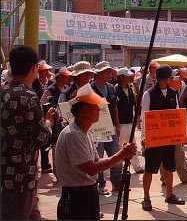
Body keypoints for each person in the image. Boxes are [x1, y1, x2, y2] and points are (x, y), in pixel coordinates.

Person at [54, 83, 136, 220]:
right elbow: (91, 168)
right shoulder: (73, 134)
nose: (99, 109)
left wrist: (122, 154)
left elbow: (96, 162)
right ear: (84, 111)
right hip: (76, 198)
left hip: (86, 195)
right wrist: (120, 155)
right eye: (95, 106)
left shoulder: (84, 132)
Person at [1, 46, 53, 220]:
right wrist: (48, 122)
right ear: (33, 68)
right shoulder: (28, 96)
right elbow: (42, 137)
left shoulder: (3, 92)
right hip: (21, 177)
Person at [141, 65, 186, 211]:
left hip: (169, 138)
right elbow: (144, 115)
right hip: (154, 139)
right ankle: (146, 198)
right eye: (170, 77)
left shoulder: (173, 93)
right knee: (150, 169)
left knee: (169, 167)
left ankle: (170, 194)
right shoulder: (149, 94)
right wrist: (144, 136)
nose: (172, 79)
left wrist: (181, 134)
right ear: (164, 78)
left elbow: (178, 113)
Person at [91, 61, 122, 195]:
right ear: (98, 73)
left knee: (115, 153)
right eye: (105, 72)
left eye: (109, 71)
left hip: (110, 127)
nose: (108, 74)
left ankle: (117, 182)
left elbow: (115, 106)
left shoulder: (111, 87)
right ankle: (100, 184)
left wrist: (117, 124)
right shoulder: (90, 89)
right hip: (96, 128)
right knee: (98, 156)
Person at [115, 67, 144, 173]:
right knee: (120, 146)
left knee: (132, 144)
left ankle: (137, 166)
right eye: (127, 76)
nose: (130, 77)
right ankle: (120, 168)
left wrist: (136, 120)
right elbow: (115, 108)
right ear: (121, 77)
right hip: (121, 123)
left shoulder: (131, 88)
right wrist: (117, 125)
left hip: (129, 121)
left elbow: (135, 104)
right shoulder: (116, 90)